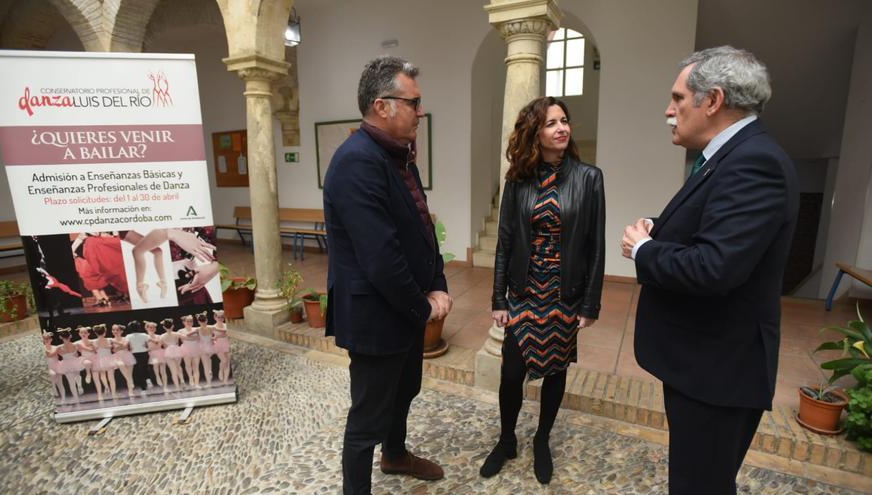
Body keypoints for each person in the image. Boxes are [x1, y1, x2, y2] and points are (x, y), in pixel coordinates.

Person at [621, 46, 798, 495]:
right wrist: (660, 229)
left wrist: (644, 250)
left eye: (679, 98)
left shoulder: (754, 162)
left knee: (700, 486)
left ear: (713, 100)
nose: (668, 110)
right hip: (704, 363)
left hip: (719, 371)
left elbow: (715, 267)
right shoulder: (728, 155)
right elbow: (716, 229)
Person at [323, 55, 452, 495]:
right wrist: (425, 307)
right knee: (366, 420)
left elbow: (420, 225)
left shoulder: (396, 155)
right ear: (383, 105)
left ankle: (395, 455)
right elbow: (380, 257)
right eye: (413, 102)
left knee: (405, 390)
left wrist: (438, 283)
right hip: (375, 314)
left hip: (403, 309)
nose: (420, 111)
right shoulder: (357, 162)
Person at [482, 96, 605, 484]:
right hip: (523, 292)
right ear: (535, 132)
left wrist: (590, 303)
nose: (562, 128)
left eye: (565, 121)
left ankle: (541, 440)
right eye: (552, 123)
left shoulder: (589, 179)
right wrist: (498, 297)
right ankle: (506, 440)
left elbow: (596, 246)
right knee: (510, 374)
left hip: (563, 294)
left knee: (555, 371)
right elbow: (504, 241)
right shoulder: (517, 180)